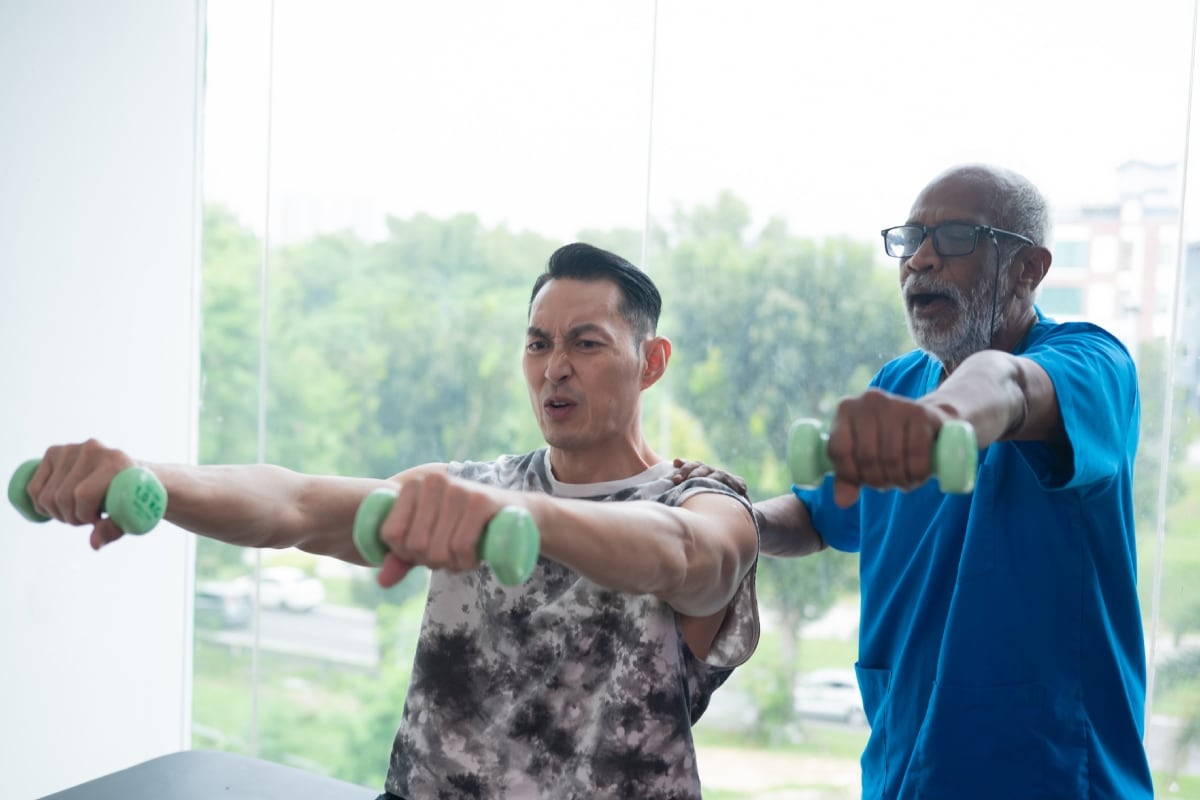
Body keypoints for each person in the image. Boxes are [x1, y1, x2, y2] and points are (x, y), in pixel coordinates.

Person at [25, 242, 761, 800]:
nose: (553, 367)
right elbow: (297, 506)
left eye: (586, 342)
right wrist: (146, 479)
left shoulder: (703, 503)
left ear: (652, 361)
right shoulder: (473, 488)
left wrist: (524, 516)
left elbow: (682, 555)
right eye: (538, 343)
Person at [678, 163, 1154, 798]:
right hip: (905, 773)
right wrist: (728, 519)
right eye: (911, 239)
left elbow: (1006, 385)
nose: (920, 259)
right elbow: (821, 516)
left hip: (1052, 775)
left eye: (955, 237)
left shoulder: (1093, 364)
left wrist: (937, 422)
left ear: (1028, 269)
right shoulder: (899, 384)